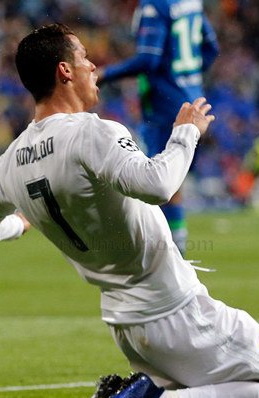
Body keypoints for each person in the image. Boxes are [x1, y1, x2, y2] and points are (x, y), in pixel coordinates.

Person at [0, 24, 259, 398]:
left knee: (218, 395)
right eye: (84, 57)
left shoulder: (9, 162)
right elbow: (158, 185)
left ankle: (147, 396)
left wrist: (18, 223)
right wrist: (186, 132)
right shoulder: (91, 131)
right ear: (65, 70)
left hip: (128, 328)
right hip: (178, 312)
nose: (93, 65)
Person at [96, 0, 220, 255]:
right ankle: (173, 256)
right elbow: (211, 49)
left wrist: (104, 73)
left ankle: (174, 258)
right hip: (191, 98)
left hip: (164, 104)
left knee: (164, 181)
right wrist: (188, 78)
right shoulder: (189, 3)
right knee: (173, 181)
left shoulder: (155, 5)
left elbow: (148, 59)